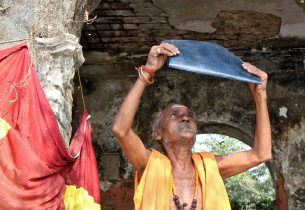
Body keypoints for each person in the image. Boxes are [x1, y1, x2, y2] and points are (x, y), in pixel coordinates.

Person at [112, 42, 272, 210]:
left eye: (190, 116)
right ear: (158, 134)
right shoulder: (150, 165)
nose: (185, 118)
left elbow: (261, 154)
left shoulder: (209, 167)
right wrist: (148, 71)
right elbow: (121, 130)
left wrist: (260, 95)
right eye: (175, 115)